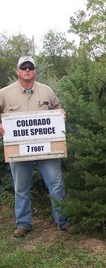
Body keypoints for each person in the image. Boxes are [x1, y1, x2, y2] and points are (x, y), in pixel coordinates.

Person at [0, 55, 70, 237]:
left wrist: (61, 115)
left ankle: (63, 221)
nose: (27, 70)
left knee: (56, 184)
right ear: (17, 71)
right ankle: (23, 223)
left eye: (30, 67)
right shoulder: (5, 93)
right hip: (19, 150)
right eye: (23, 67)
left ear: (35, 71)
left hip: (47, 148)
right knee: (21, 187)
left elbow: (58, 109)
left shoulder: (47, 91)